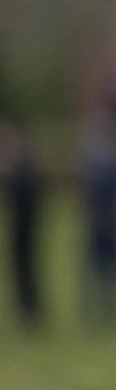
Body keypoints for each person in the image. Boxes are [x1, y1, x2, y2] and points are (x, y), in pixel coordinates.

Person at [78, 117, 116, 328]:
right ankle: (97, 313)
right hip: (99, 225)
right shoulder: (95, 165)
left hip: (111, 225)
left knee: (115, 273)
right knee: (98, 273)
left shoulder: (112, 166)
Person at [1, 121, 46, 331]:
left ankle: (29, 309)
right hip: (25, 231)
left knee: (26, 272)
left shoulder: (22, 175)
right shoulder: (24, 172)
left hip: (24, 232)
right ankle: (28, 309)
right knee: (25, 273)